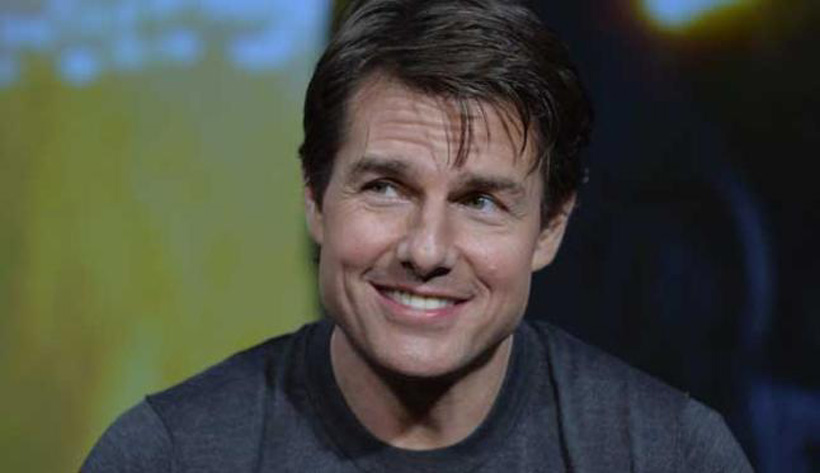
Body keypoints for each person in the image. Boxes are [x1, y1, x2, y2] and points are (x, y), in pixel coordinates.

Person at [82, 0, 754, 471]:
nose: (426, 250)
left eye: (480, 201)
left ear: (552, 227)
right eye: (386, 188)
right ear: (314, 200)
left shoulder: (673, 452)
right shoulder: (166, 454)